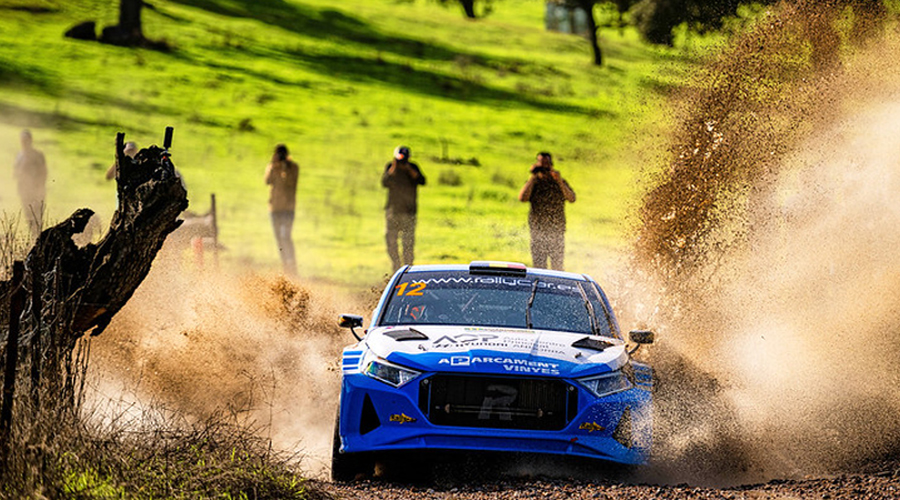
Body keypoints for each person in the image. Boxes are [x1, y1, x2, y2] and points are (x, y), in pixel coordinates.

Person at [518, 152, 576, 270]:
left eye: (547, 165)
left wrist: (559, 180)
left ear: (551, 165)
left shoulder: (559, 182)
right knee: (539, 268)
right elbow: (522, 198)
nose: (544, 168)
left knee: (557, 267)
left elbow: (571, 198)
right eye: (541, 165)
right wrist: (533, 177)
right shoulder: (534, 183)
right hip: (537, 232)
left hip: (556, 232)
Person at [382, 145, 425, 271]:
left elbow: (422, 181)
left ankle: (408, 269)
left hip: (409, 212)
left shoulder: (413, 167)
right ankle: (396, 266)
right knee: (391, 242)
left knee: (408, 243)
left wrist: (408, 169)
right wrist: (395, 166)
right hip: (393, 212)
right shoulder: (390, 167)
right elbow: (385, 182)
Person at [264, 144, 299, 276]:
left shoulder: (293, 168)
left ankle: (292, 264)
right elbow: (267, 181)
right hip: (274, 209)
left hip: (288, 209)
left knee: (286, 236)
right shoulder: (272, 166)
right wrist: (274, 166)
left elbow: (290, 183)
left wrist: (285, 168)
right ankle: (286, 266)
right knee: (279, 239)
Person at [13, 129, 48, 238]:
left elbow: (43, 172)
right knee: (28, 217)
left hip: (36, 191)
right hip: (24, 192)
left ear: (30, 140)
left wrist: (39, 188)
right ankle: (34, 239)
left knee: (37, 218)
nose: (24, 142)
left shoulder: (37, 155)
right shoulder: (19, 156)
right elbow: (15, 173)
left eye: (26, 140)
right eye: (22, 140)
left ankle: (38, 240)